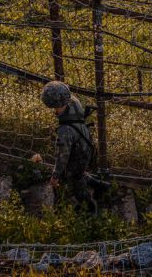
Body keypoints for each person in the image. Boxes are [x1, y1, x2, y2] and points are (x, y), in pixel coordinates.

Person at [42, 81, 106, 213]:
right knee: (79, 172)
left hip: (79, 153)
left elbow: (62, 157)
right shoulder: (73, 101)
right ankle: (99, 185)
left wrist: (55, 176)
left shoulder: (64, 131)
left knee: (75, 178)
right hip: (85, 140)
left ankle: (89, 206)